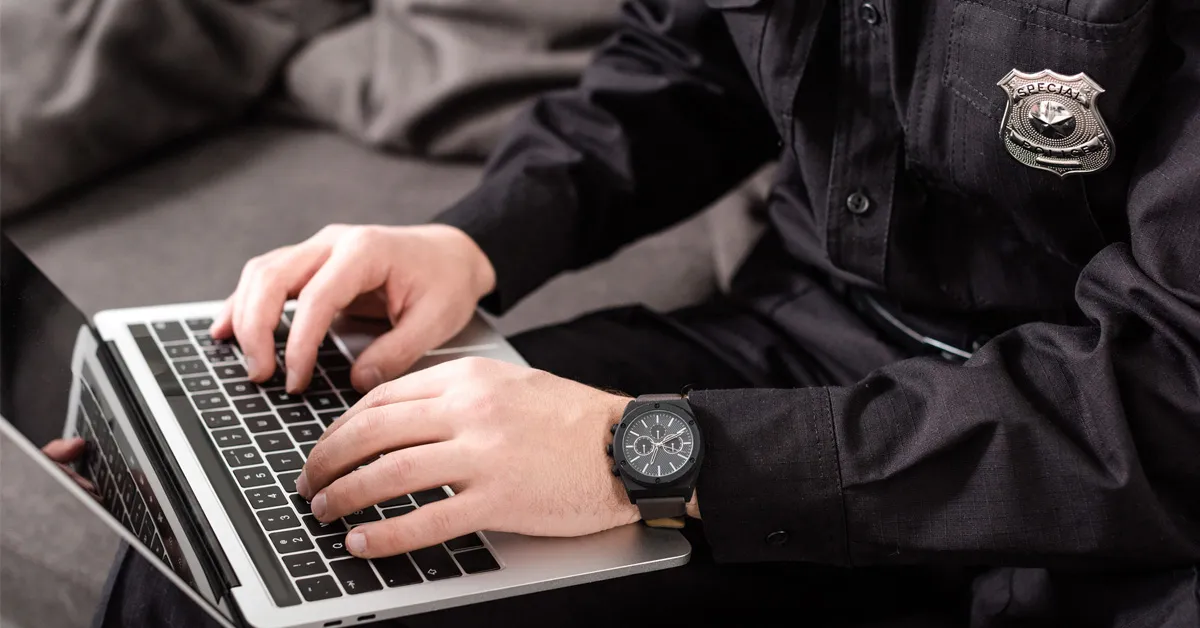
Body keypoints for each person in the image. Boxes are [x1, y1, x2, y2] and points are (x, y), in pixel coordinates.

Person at [95, 1, 1200, 626]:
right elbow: (691, 61)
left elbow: (1168, 394)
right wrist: (472, 240)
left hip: (1118, 480)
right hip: (796, 347)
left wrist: (649, 454)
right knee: (222, 559)